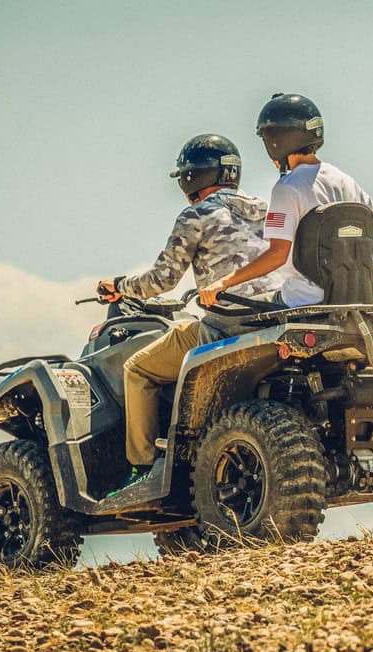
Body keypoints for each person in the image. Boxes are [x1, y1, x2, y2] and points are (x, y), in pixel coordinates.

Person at [98, 133, 274, 493]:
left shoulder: (197, 215)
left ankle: (143, 468)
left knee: (138, 369)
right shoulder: (268, 210)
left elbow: (161, 279)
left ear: (192, 177)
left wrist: (119, 285)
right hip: (275, 317)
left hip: (227, 326)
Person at [199, 93, 373, 307]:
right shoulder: (346, 181)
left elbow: (277, 255)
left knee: (214, 323)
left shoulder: (287, 188)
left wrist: (223, 283)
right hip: (353, 302)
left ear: (275, 141)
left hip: (300, 302)